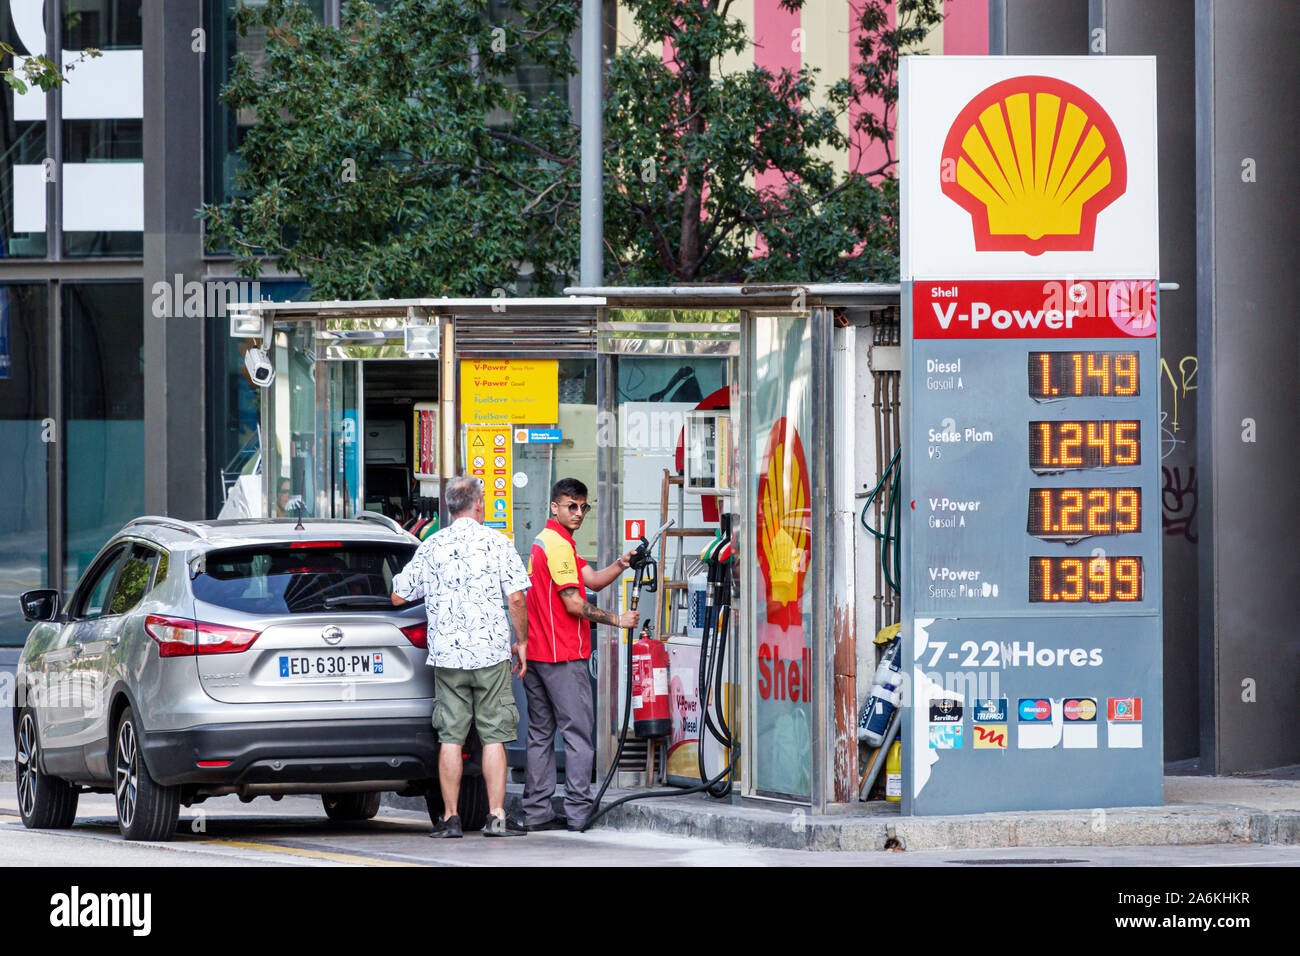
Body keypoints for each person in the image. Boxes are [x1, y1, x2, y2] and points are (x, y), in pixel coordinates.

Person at [391, 475, 530, 838]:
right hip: (491, 654)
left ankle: (451, 818)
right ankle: (496, 815)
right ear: (479, 504)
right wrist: (523, 642)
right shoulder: (498, 543)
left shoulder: (431, 545)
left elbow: (398, 596)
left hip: (448, 657)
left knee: (450, 737)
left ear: (450, 508)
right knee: (494, 736)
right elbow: (516, 598)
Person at [521, 478, 638, 832]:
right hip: (562, 656)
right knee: (578, 735)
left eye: (583, 506)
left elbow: (593, 580)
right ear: (553, 506)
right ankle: (577, 812)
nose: (578, 513)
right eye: (571, 505)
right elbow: (574, 603)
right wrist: (618, 620)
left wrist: (623, 562)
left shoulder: (552, 542)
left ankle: (537, 812)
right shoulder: (557, 546)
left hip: (540, 655)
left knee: (541, 735)